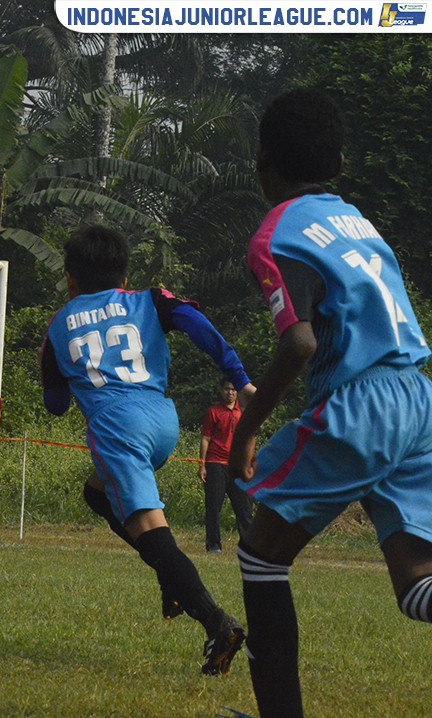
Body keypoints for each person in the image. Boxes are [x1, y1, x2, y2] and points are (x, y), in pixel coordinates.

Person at [229, 88, 432, 718]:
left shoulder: (276, 233)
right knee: (417, 584)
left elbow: (299, 343)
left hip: (362, 404)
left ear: (262, 159)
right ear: (339, 164)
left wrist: (246, 430)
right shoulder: (357, 221)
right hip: (418, 397)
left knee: (261, 555)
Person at [40, 225, 255, 676]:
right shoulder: (150, 299)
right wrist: (241, 379)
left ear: (70, 280)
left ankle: (217, 622)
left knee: (154, 535)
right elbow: (198, 326)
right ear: (124, 275)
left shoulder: (58, 325)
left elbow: (55, 405)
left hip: (118, 429)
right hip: (163, 421)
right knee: (97, 493)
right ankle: (169, 574)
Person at [199, 378, 254, 554]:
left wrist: (249, 463)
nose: (230, 392)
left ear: (237, 392)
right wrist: (202, 465)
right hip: (215, 464)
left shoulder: (242, 413)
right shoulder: (213, 412)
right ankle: (214, 545)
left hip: (236, 466)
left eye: (233, 389)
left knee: (244, 509)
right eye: (227, 389)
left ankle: (249, 546)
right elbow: (205, 439)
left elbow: (249, 439)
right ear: (221, 390)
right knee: (213, 507)